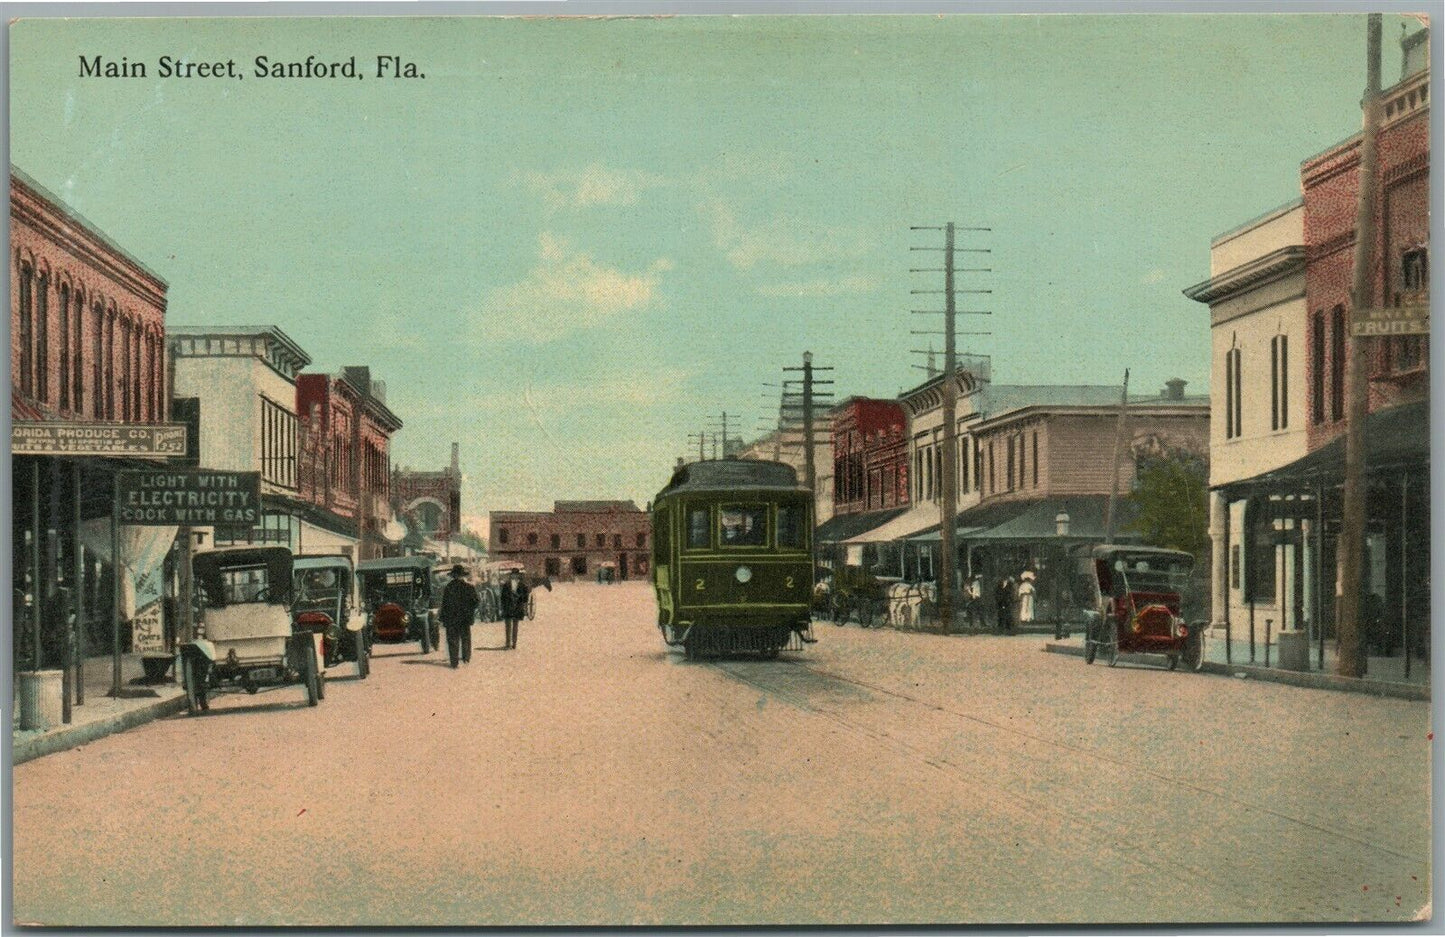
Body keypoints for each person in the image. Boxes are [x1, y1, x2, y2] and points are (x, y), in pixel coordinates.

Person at [439, 564, 479, 668]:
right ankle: (466, 658)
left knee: (452, 640)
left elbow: (445, 604)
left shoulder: (449, 587)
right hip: (465, 618)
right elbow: (476, 602)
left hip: (451, 619)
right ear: (462, 576)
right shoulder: (469, 587)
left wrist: (443, 618)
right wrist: (469, 611)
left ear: (453, 576)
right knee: (465, 638)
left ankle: (454, 662)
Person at [499, 568, 531, 650]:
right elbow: (502, 597)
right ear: (511, 575)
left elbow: (526, 598)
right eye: (513, 574)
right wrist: (503, 606)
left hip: (517, 607)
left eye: (516, 574)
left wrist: (519, 597)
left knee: (515, 626)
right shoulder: (506, 585)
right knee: (508, 626)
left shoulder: (523, 585)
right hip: (508, 607)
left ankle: (514, 643)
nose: (514, 576)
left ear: (518, 576)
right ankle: (507, 643)